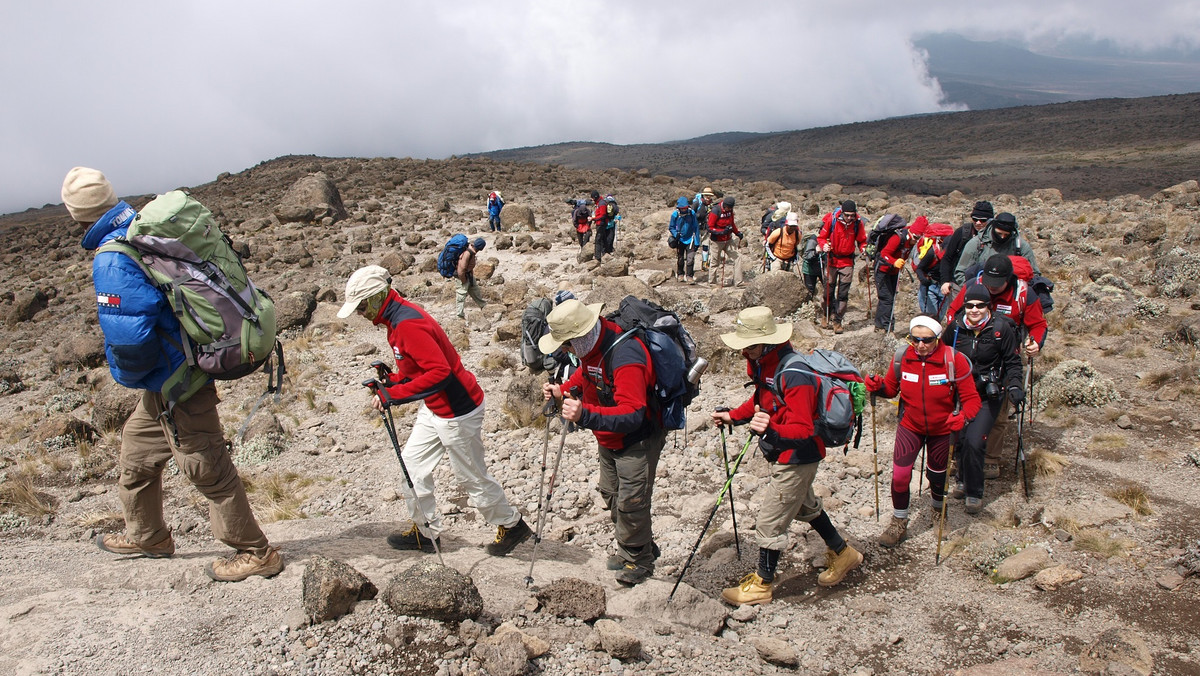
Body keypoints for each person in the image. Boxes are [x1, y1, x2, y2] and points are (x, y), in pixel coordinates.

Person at [66, 167, 283, 582]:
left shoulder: (112, 257)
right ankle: (148, 536)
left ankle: (255, 551)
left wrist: (130, 376)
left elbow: (130, 337)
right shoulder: (136, 227)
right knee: (137, 455)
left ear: (75, 213)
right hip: (163, 382)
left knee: (206, 464)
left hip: (177, 381)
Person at [339, 265, 531, 556]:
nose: (359, 313)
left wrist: (393, 394)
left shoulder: (406, 323)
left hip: (457, 410)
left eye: (362, 306)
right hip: (438, 407)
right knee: (412, 466)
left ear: (378, 297)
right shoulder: (396, 317)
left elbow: (440, 373)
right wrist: (394, 380)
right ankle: (424, 532)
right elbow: (420, 367)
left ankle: (512, 525)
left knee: (472, 477)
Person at [714, 307, 863, 606]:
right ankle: (844, 554)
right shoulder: (766, 363)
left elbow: (803, 428)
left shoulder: (794, 373)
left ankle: (762, 585)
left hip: (798, 456)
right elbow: (761, 400)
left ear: (767, 342)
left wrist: (770, 433)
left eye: (749, 345)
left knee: (770, 521)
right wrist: (734, 416)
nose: (744, 351)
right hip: (790, 452)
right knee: (806, 507)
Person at [540, 299, 666, 586]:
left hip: (637, 438)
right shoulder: (591, 345)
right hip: (608, 436)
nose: (563, 351)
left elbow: (633, 413)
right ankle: (636, 545)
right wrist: (564, 389)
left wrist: (585, 414)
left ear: (581, 336)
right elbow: (586, 374)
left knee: (631, 502)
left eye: (566, 345)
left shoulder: (626, 355)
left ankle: (639, 560)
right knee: (611, 493)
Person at [863, 315, 981, 547]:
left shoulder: (954, 360)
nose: (920, 345)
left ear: (938, 338)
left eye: (927, 340)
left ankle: (938, 512)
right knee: (900, 476)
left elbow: (972, 400)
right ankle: (899, 520)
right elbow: (891, 389)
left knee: (937, 477)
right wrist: (878, 387)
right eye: (914, 339)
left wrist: (963, 417)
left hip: (942, 429)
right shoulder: (902, 357)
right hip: (910, 426)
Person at [944, 254, 1046, 479]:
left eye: (996, 284)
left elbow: (1037, 323)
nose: (990, 287)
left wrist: (1035, 342)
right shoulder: (975, 286)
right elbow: (953, 311)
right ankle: (956, 455)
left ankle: (990, 458)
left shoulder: (1023, 295)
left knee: (998, 412)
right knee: (958, 406)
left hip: (1004, 357)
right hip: (967, 357)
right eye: (988, 282)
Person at [943, 285, 1024, 513]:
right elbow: (942, 355)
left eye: (980, 305)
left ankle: (974, 491)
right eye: (969, 305)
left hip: (988, 395)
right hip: (959, 392)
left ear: (989, 306)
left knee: (975, 441)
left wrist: (1016, 385)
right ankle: (961, 479)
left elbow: (1013, 361)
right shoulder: (956, 329)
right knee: (959, 438)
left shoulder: (1001, 329)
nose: (974, 310)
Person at [816, 200, 868, 334]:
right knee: (828, 290)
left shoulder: (857, 223)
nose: (850, 218)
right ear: (842, 213)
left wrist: (864, 248)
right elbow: (821, 237)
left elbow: (862, 240)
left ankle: (838, 321)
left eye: (852, 215)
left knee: (843, 294)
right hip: (832, 260)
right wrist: (824, 246)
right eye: (847, 215)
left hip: (847, 262)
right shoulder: (832, 221)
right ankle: (826, 315)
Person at [954, 212, 1040, 286]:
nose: (1002, 237)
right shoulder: (976, 244)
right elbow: (960, 273)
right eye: (999, 233)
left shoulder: (1020, 246)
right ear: (993, 227)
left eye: (1006, 235)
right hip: (982, 292)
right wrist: (974, 290)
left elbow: (1034, 274)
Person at [939, 201, 994, 300]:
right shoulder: (962, 233)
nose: (978, 223)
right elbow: (947, 257)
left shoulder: (995, 235)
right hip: (959, 284)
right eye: (975, 219)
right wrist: (945, 281)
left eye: (982, 220)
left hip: (987, 285)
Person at [873, 218, 914, 333]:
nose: (915, 241)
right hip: (882, 270)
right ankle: (886, 327)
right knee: (887, 298)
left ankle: (880, 325)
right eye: (915, 238)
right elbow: (884, 254)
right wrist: (894, 261)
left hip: (894, 272)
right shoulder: (897, 238)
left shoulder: (912, 241)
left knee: (888, 298)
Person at [913, 219, 954, 317]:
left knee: (938, 318)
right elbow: (919, 268)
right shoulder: (932, 253)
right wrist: (923, 280)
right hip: (930, 286)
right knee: (930, 318)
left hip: (944, 288)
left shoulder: (951, 254)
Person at [707, 196, 744, 287]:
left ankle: (738, 282)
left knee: (738, 257)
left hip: (728, 240)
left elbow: (732, 223)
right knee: (715, 262)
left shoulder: (730, 211)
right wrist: (721, 232)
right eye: (729, 208)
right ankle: (712, 282)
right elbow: (709, 227)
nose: (730, 210)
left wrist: (737, 232)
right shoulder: (716, 211)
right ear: (725, 205)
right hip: (716, 241)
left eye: (731, 208)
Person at [668, 196, 700, 283]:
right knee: (680, 258)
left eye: (685, 208)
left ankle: (689, 276)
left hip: (691, 239)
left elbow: (696, 227)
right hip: (680, 240)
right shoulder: (675, 215)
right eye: (682, 208)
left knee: (690, 258)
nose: (684, 210)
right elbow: (671, 227)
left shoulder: (691, 213)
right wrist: (675, 234)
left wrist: (697, 242)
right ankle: (680, 274)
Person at [454, 237, 487, 319]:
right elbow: (461, 268)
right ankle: (459, 315)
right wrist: (464, 280)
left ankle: (484, 306)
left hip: (469, 276)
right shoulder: (468, 253)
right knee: (461, 295)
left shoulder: (471, 252)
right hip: (462, 277)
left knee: (475, 291)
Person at [693, 187, 716, 271]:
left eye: (709, 195)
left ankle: (704, 263)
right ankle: (690, 263)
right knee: (695, 246)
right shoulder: (697, 203)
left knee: (706, 246)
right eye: (707, 195)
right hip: (696, 228)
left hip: (706, 228)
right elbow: (692, 214)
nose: (708, 197)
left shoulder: (710, 204)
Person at [590, 190, 615, 263]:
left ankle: (597, 257)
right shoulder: (600, 203)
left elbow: (603, 215)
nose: (592, 200)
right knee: (604, 239)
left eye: (592, 198)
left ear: (595, 197)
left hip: (601, 224)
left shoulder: (602, 204)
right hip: (600, 223)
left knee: (598, 240)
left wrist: (593, 218)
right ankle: (607, 254)